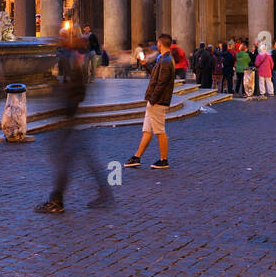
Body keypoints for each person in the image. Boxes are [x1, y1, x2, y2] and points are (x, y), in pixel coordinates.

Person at [35, 37, 115, 214]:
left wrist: (63, 104)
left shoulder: (74, 62)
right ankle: (104, 192)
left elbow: (77, 92)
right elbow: (78, 91)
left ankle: (57, 201)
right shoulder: (74, 61)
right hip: (73, 121)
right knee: (82, 159)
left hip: (71, 121)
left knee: (65, 161)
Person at [125, 33, 173, 170]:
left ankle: (164, 159)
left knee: (159, 131)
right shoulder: (164, 59)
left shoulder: (166, 61)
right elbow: (156, 76)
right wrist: (146, 66)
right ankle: (137, 157)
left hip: (158, 101)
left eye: (158, 43)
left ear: (160, 44)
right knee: (147, 130)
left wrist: (153, 100)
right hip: (154, 100)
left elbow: (161, 83)